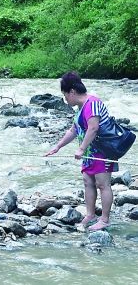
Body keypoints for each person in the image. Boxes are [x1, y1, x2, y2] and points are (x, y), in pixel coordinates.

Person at [45, 71, 116, 231]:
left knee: (102, 184)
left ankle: (104, 220)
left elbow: (93, 128)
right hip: (90, 153)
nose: (65, 99)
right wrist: (57, 146)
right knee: (88, 182)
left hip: (102, 151)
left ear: (72, 91)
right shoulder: (80, 108)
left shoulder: (93, 103)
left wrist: (81, 148)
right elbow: (73, 130)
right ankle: (90, 214)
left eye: (65, 95)